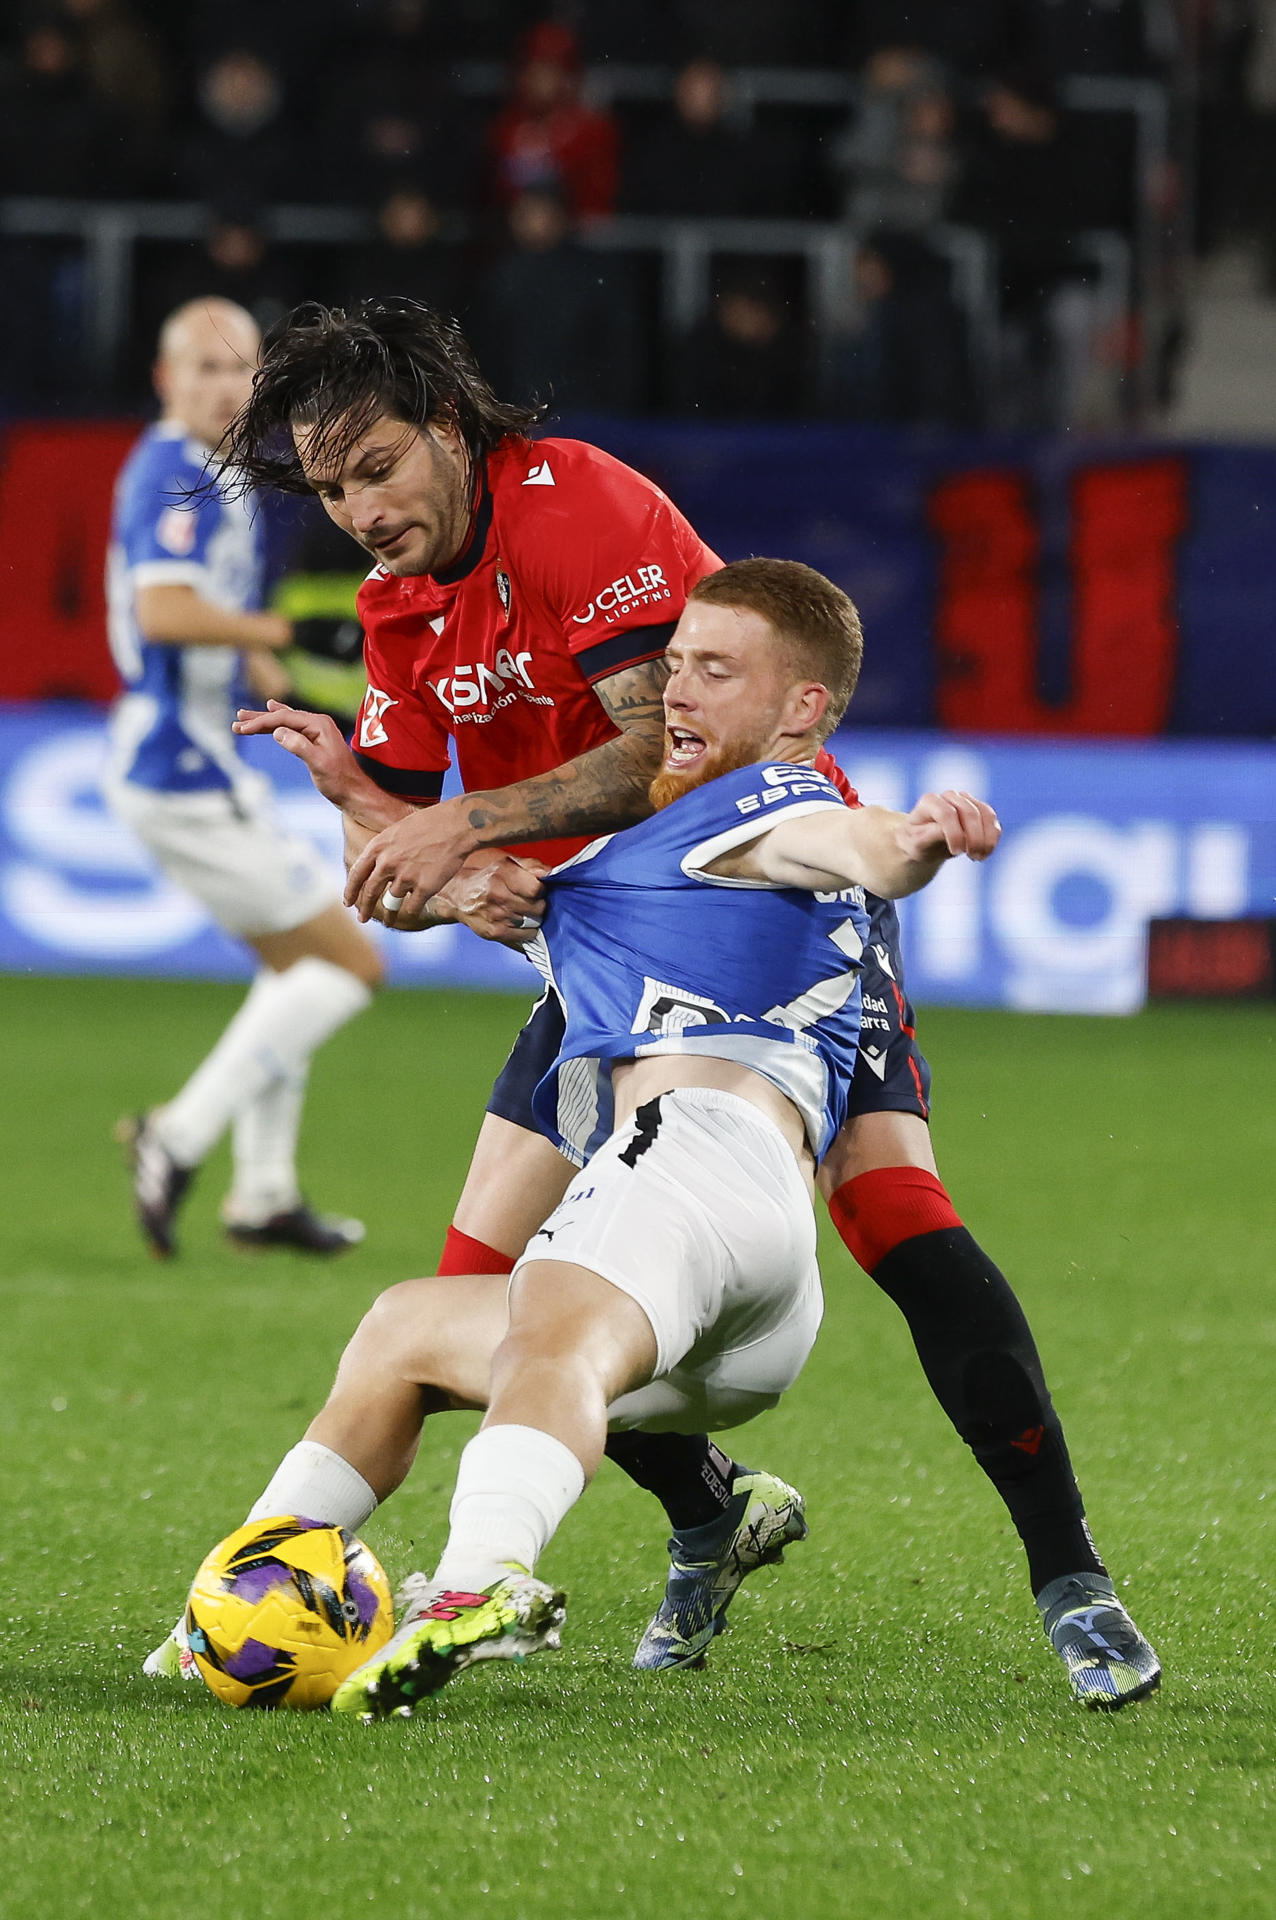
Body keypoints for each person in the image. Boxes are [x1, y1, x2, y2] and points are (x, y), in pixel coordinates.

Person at [221, 297, 1148, 1704]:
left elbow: (669, 753)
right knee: (481, 1291)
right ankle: (693, 1514)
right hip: (604, 955)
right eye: (331, 485)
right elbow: (423, 861)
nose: (359, 509)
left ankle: (1073, 1582)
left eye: (379, 467)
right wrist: (390, 828)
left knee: (899, 1214)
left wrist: (473, 829)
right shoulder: (396, 611)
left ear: (454, 431)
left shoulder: (574, 505)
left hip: (763, 913)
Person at [104, 298, 382, 1257]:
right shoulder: (169, 473)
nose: (225, 388)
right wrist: (289, 632)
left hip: (198, 758)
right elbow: (168, 616)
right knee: (346, 964)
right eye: (205, 369)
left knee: (289, 972)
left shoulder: (221, 478)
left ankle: (262, 1195)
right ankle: (176, 1138)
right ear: (165, 379)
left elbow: (217, 625)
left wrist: (287, 687)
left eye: (241, 370)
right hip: (174, 767)